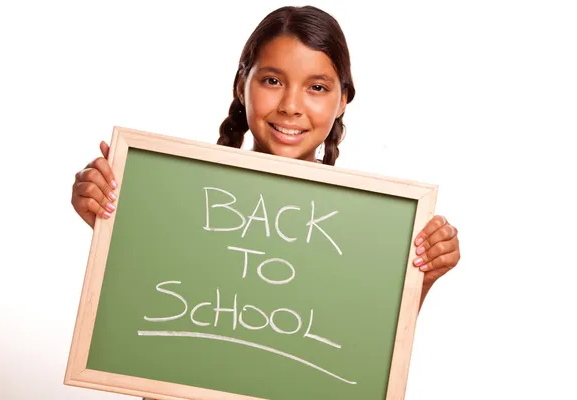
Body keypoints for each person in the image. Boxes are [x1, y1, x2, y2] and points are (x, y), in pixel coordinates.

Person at [71, 6, 460, 397]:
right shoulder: (175, 196)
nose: (291, 105)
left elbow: (361, 359)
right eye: (272, 80)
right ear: (242, 84)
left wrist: (417, 279)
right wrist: (107, 219)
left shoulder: (371, 228)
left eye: (317, 87)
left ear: (343, 100)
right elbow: (147, 316)